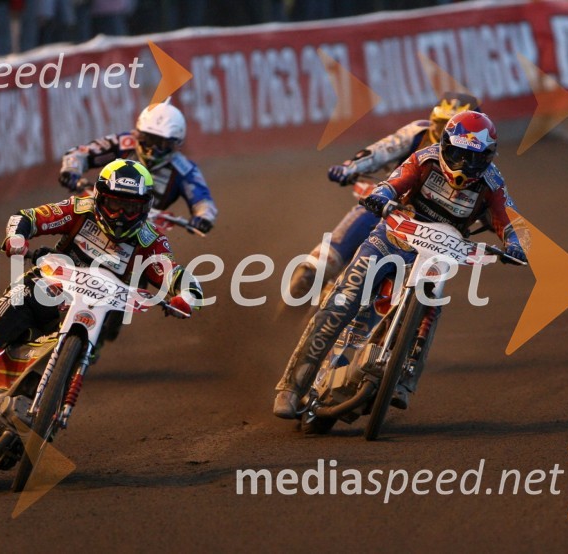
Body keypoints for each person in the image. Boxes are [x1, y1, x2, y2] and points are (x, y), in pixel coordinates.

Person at [0, 160, 204, 464]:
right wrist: (17, 237)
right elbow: (30, 216)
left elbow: (174, 273)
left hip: (86, 318)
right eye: (114, 203)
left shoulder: (151, 241)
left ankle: (38, 421)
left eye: (131, 208)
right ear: (99, 196)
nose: (121, 215)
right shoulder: (80, 210)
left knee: (79, 363)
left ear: (146, 207)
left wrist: (187, 296)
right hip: (37, 294)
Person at [273, 111, 528, 419]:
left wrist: (515, 244)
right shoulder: (425, 158)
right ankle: (291, 386)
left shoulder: (492, 182)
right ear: (446, 145)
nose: (463, 165)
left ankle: (403, 380)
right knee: (343, 299)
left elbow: (509, 219)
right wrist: (383, 195)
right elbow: (393, 182)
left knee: (430, 309)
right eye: (458, 154)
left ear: (487, 157)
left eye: (473, 158)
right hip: (392, 238)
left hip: (438, 255)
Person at [289, 92, 481, 298]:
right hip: (391, 208)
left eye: (451, 126)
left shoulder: (483, 165)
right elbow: (381, 151)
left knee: (430, 284)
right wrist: (350, 168)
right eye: (441, 123)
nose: (443, 131)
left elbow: (493, 203)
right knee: (363, 217)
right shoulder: (418, 133)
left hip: (433, 230)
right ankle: (314, 272)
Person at [58, 99, 218, 234]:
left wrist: (203, 218)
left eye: (161, 144)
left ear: (175, 144)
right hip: (100, 211)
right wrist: (71, 170)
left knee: (154, 263)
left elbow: (203, 200)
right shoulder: (123, 144)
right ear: (139, 134)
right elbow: (81, 153)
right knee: (67, 218)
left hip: (142, 229)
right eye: (149, 140)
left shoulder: (184, 168)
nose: (152, 149)